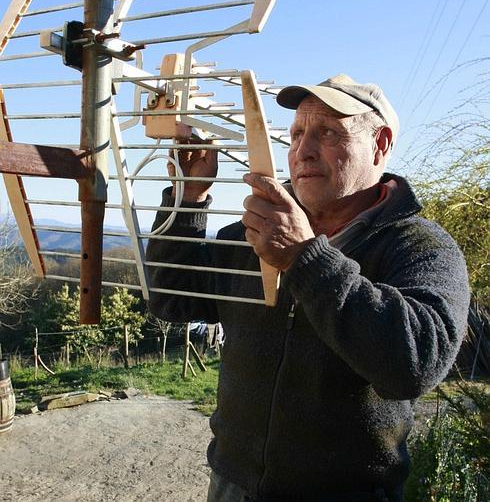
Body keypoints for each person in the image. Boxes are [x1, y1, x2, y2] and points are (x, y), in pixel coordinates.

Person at [146, 74, 470, 502]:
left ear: (381, 143)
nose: (303, 150)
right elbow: (172, 299)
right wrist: (188, 200)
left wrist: (304, 258)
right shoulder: (258, 232)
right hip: (232, 485)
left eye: (328, 133)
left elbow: (415, 365)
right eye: (297, 134)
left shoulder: (420, 247)